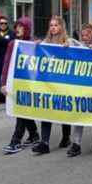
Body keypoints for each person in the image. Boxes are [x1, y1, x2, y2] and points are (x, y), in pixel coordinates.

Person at [32, 16, 80, 155]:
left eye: (56, 25)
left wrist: (70, 48)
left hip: (64, 82)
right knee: (46, 110)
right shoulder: (46, 42)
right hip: (49, 83)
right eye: (51, 25)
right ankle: (44, 143)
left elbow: (82, 51)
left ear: (61, 27)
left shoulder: (68, 41)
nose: (53, 27)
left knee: (64, 110)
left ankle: (66, 137)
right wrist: (36, 47)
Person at [2, 17, 41, 154]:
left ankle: (15, 141)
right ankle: (34, 134)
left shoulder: (34, 43)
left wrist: (38, 46)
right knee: (22, 110)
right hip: (17, 82)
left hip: (30, 83)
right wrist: (3, 83)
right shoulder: (13, 44)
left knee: (21, 110)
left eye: (21, 26)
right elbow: (7, 63)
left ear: (27, 29)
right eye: (17, 26)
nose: (17, 29)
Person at [68, 23, 92, 158]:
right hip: (82, 85)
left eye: (87, 34)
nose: (84, 37)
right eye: (82, 35)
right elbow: (69, 46)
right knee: (79, 113)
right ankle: (76, 144)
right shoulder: (80, 47)